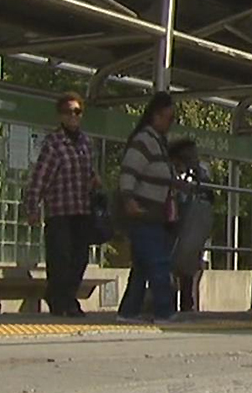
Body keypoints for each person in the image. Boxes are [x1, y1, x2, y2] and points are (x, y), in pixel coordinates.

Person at [22, 92, 99, 317]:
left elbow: (89, 170)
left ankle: (68, 296)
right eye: (69, 112)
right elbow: (41, 176)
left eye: (77, 111)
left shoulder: (86, 142)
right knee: (60, 258)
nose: (73, 116)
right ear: (61, 116)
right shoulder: (54, 143)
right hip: (60, 209)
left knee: (80, 257)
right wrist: (32, 207)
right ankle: (59, 299)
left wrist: (95, 179)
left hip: (81, 208)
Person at [116, 92, 184, 325]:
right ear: (156, 115)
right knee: (157, 263)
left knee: (143, 267)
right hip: (143, 213)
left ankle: (128, 311)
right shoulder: (144, 140)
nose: (170, 123)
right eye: (168, 117)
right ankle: (164, 311)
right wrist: (128, 199)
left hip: (155, 215)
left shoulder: (158, 142)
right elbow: (129, 171)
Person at [168, 139, 214, 313]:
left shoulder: (199, 172)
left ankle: (187, 303)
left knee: (187, 264)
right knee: (173, 263)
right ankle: (172, 303)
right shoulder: (170, 170)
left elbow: (209, 195)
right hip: (173, 220)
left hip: (189, 222)